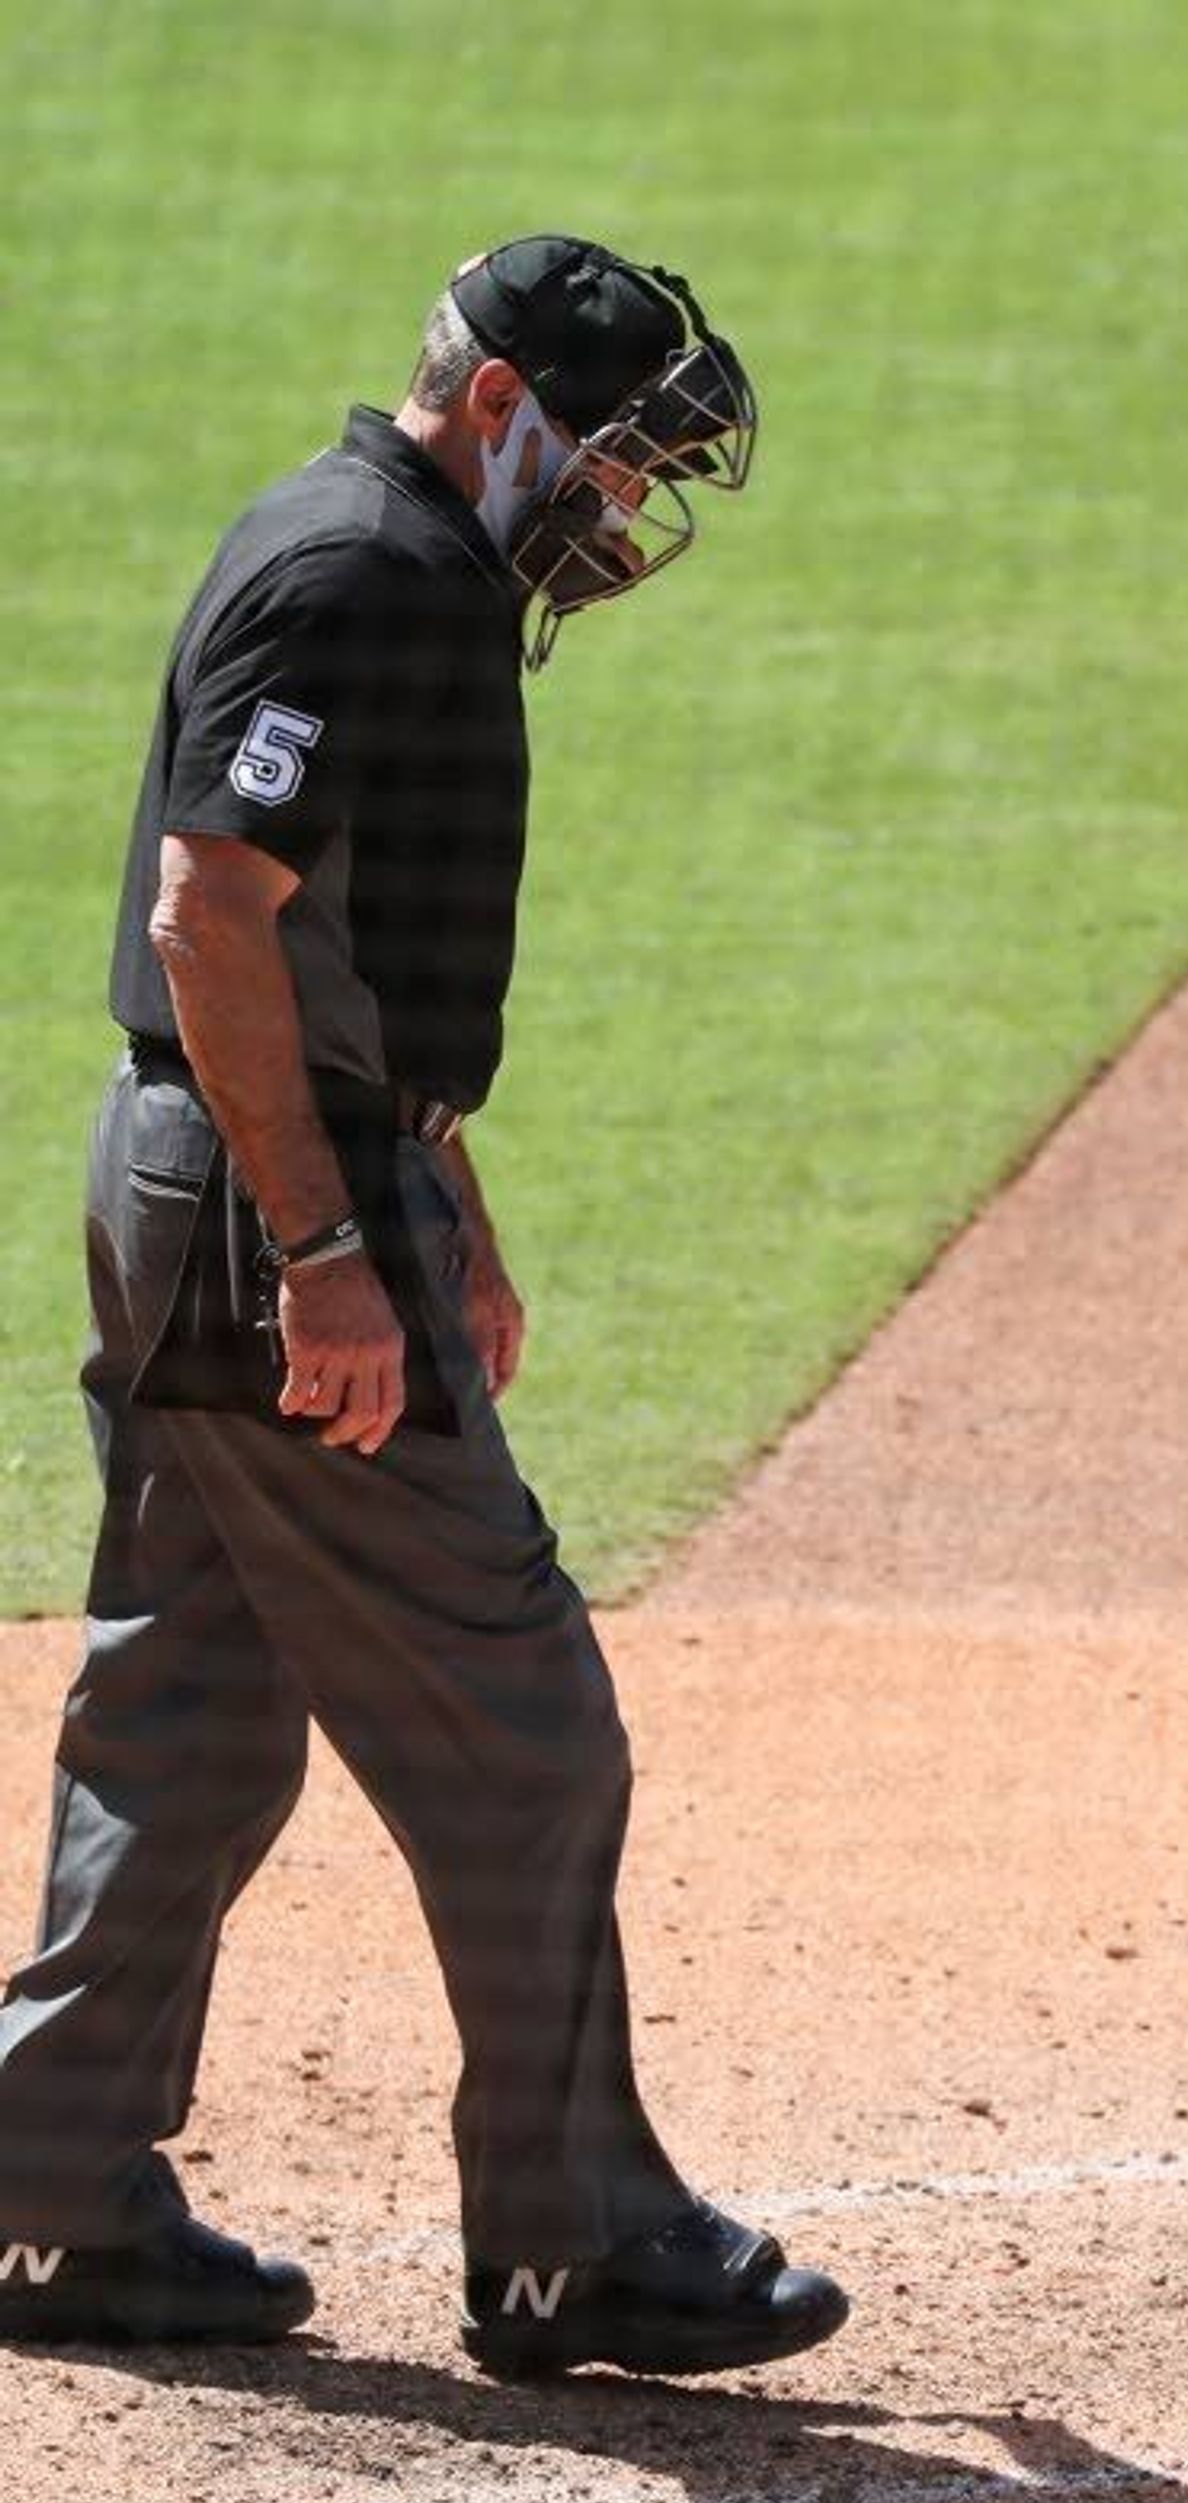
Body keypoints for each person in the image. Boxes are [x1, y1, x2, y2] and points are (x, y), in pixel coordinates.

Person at [0, 235, 848, 2381]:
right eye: (617, 460)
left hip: (229, 1163)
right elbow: (214, 911)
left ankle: (45, 2186)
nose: (627, 514)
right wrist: (325, 1246)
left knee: (190, 1698)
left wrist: (438, 1175)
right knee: (526, 1726)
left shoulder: (389, 559)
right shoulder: (357, 572)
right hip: (254, 1198)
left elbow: (325, 930)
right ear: (501, 412)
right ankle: (581, 2241)